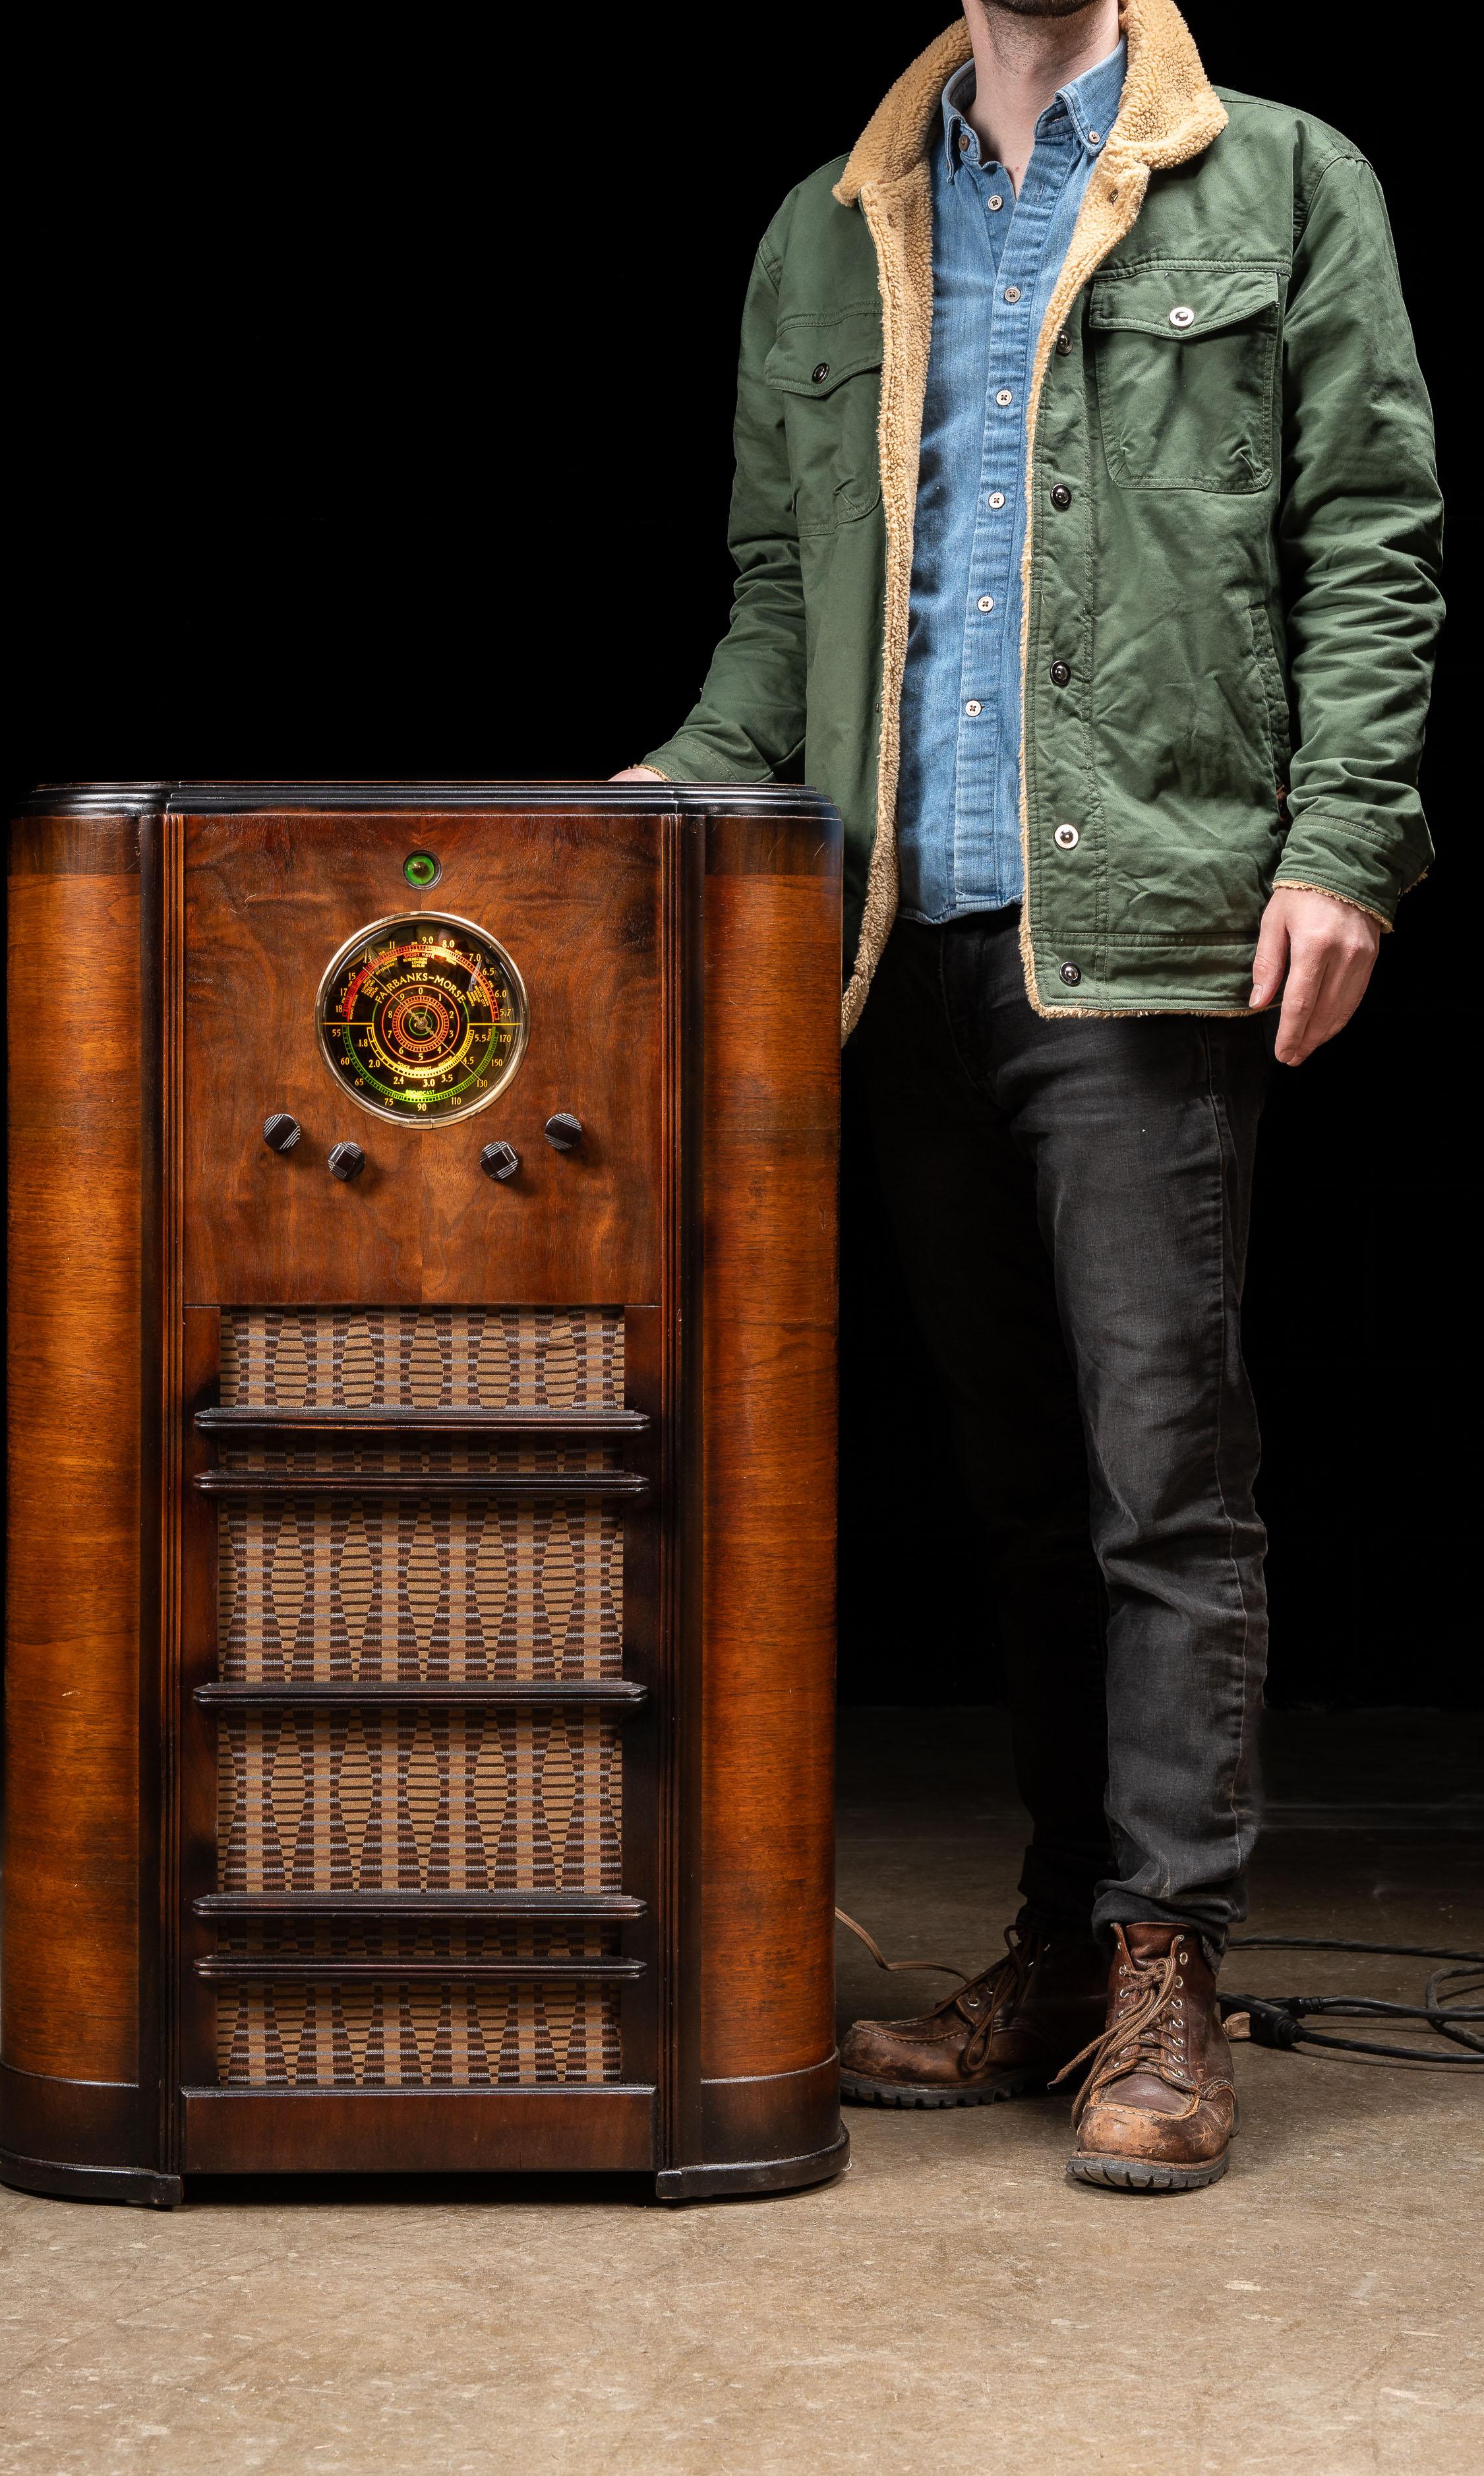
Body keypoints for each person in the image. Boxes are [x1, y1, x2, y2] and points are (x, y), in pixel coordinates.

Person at [616, 0, 1441, 2190]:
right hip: (896, 946)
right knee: (1011, 1482)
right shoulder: (832, 227)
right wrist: (667, 803)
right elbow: (780, 607)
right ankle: (1066, 1954)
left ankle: (1172, 1954)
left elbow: (1372, 531)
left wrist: (1346, 842)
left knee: (1162, 1472)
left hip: (1141, 938)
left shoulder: (1276, 176)